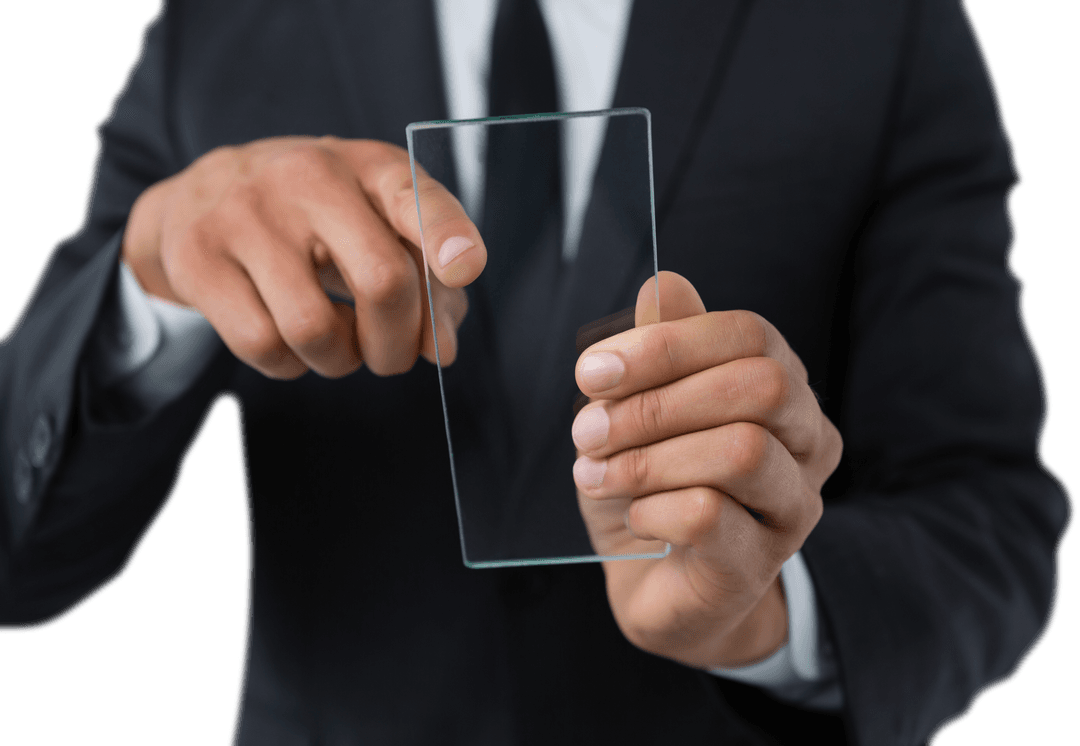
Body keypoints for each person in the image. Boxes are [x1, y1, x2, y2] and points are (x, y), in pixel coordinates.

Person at [0, 0, 1070, 744]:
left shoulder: (882, 24)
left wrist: (761, 614)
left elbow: (990, 518)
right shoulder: (220, 25)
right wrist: (146, 286)